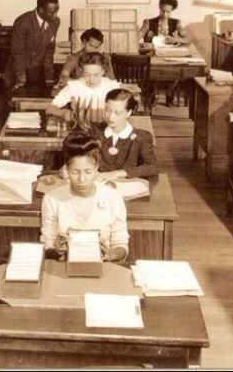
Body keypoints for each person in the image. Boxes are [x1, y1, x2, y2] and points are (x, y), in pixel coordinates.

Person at [40, 133, 129, 262]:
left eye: (88, 172)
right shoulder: (52, 199)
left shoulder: (113, 197)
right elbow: (47, 244)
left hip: (103, 265)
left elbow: (121, 244)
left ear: (97, 168)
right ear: (66, 169)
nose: (81, 179)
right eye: (75, 172)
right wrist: (56, 251)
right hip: (64, 266)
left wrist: (110, 255)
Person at [93, 89, 158, 180]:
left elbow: (152, 168)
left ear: (129, 113)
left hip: (129, 186)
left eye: (118, 113)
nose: (111, 116)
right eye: (108, 110)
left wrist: (120, 173)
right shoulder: (95, 131)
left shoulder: (141, 137)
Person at [46, 52, 122, 130]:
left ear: (103, 72)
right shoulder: (74, 86)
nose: (91, 80)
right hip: (81, 132)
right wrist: (64, 112)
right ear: (82, 72)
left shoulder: (112, 86)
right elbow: (49, 109)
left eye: (96, 75)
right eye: (87, 75)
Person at [4, 0, 60, 90]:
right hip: (18, 70)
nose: (55, 15)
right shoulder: (22, 22)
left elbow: (50, 49)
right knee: (16, 101)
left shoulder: (55, 22)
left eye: (56, 11)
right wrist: (21, 79)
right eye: (51, 12)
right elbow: (18, 53)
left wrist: (49, 76)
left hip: (37, 73)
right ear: (41, 10)